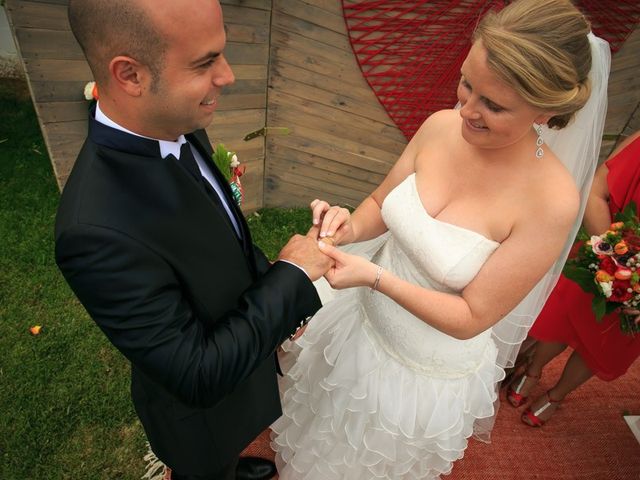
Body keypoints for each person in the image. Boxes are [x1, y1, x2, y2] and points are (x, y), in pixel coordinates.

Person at [270, 0, 609, 478]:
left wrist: (375, 277)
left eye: (493, 105)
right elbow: (380, 201)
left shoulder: (552, 203)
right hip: (354, 323)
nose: (465, 110)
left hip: (414, 373)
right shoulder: (439, 126)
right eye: (467, 83)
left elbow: (472, 316)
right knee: (313, 429)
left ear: (547, 110)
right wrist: (348, 226)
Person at [55, 1, 332, 479]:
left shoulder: (177, 124)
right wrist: (290, 280)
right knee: (204, 465)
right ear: (130, 75)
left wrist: (269, 284)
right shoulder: (94, 230)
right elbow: (196, 374)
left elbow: (219, 237)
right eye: (205, 63)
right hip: (198, 419)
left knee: (225, 456)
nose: (226, 76)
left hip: (239, 373)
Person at [508, 130, 640, 427]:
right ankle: (534, 369)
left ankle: (558, 393)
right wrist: (614, 263)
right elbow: (596, 192)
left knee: (604, 343)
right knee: (563, 319)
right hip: (605, 247)